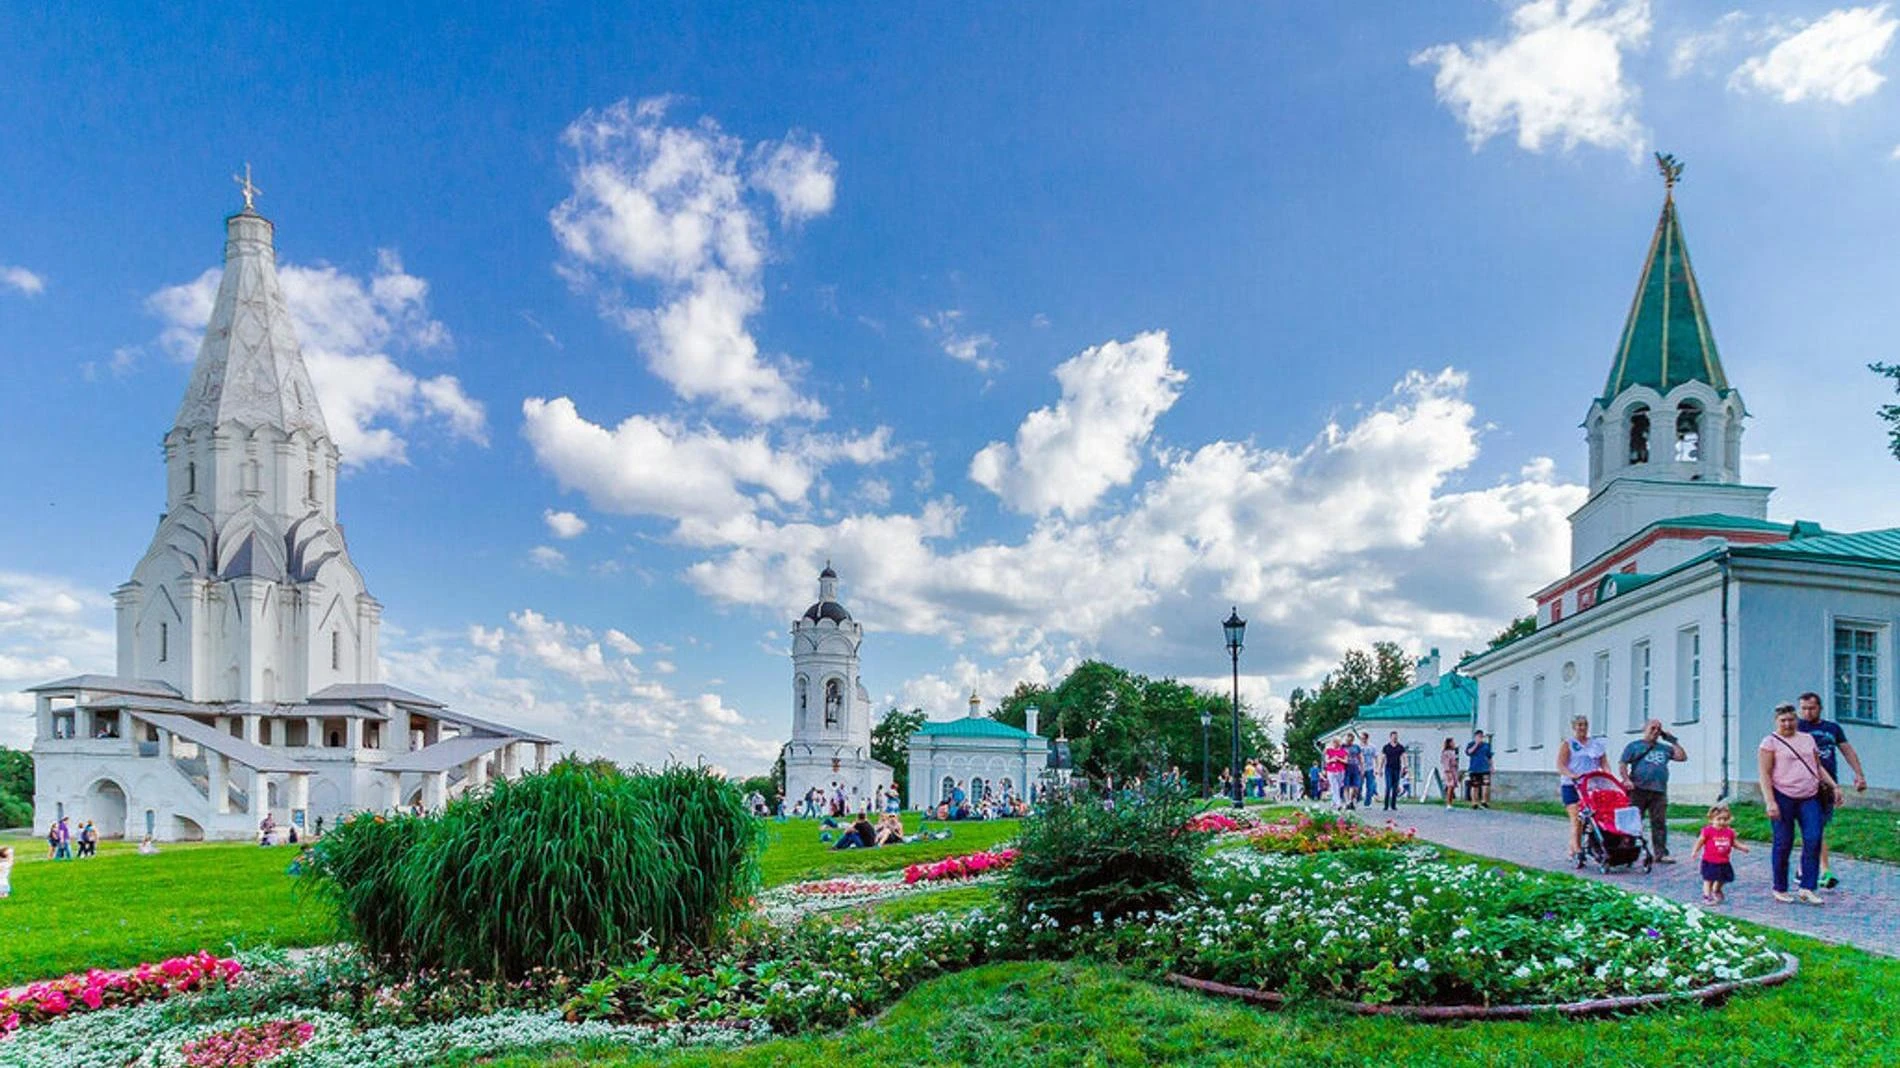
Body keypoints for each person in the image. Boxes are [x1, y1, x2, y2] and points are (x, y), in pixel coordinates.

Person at [1759, 702, 1836, 905]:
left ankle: (1807, 887)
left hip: (1809, 796)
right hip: (1782, 795)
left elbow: (1817, 767)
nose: (1787, 724)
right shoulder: (1770, 742)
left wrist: (1834, 786)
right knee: (1783, 842)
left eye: (1791, 719)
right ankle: (1780, 887)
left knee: (1813, 837)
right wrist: (1770, 801)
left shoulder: (1807, 739)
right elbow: (1765, 774)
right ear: (1776, 722)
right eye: (1783, 720)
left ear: (1797, 720)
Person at [1797, 691, 1868, 889]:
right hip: (1803, 784)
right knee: (1812, 827)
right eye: (1803, 708)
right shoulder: (1797, 728)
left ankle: (1809, 869)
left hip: (1828, 786)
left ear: (1819, 708)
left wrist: (1859, 775)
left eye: (1811, 708)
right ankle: (1819, 869)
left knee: (1817, 827)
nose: (1807, 712)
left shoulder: (1832, 728)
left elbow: (1847, 750)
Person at [1618, 719, 1687, 863]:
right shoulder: (1634, 746)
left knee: (1659, 822)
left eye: (1658, 729)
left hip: (1659, 791)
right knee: (1634, 822)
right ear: (1645, 729)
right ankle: (1626, 851)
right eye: (1653, 728)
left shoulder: (1664, 748)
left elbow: (1682, 757)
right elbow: (1623, 763)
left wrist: (1673, 741)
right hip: (1638, 789)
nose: (1655, 731)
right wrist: (1626, 780)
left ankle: (1660, 853)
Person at [1557, 716, 1609, 863]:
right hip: (1572, 785)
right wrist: (1572, 775)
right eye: (1579, 725)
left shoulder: (1596, 745)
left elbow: (1604, 763)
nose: (1582, 728)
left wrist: (1607, 775)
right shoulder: (1568, 744)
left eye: (1585, 725)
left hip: (1591, 786)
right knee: (1577, 819)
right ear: (1574, 727)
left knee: (1594, 818)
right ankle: (1577, 850)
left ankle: (1582, 846)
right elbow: (1561, 765)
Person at [1690, 803, 1747, 905]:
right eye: (1719, 819)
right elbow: (1700, 841)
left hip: (1724, 861)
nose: (1722, 822)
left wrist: (1742, 847)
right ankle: (1707, 896)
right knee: (1709, 879)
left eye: (1725, 819)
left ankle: (1716, 889)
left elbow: (1733, 843)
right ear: (1712, 819)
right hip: (1710, 861)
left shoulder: (1729, 832)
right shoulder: (1708, 831)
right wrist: (1695, 851)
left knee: (1723, 878)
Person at [1464, 730, 1494, 809]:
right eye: (1478, 736)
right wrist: (1476, 744)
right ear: (1475, 737)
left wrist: (1491, 766)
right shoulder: (1471, 744)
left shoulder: (1486, 745)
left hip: (1485, 768)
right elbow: (1469, 752)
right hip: (1474, 768)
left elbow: (1489, 756)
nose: (1480, 738)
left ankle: (1484, 801)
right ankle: (1474, 802)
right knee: (1475, 786)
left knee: (1486, 785)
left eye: (1481, 736)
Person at [1380, 732, 1406, 812]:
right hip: (1388, 768)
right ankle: (1386, 805)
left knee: (1395, 787)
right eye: (1393, 737)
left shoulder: (1400, 747)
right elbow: (1383, 758)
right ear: (1390, 737)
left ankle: (1393, 805)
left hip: (1397, 768)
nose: (1395, 738)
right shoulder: (1386, 747)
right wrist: (1380, 769)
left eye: (1396, 737)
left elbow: (1403, 757)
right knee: (1388, 786)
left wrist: (1405, 767)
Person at [1323, 737, 1349, 809]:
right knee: (1335, 786)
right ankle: (1338, 803)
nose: (1335, 744)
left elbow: (1346, 761)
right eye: (1334, 742)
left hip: (1340, 770)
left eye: (1336, 742)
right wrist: (1332, 760)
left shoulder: (1343, 751)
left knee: (1339, 786)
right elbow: (1327, 761)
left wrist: (1339, 759)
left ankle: (1334, 802)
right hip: (1331, 770)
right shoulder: (1329, 751)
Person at [1342, 733, 1363, 810]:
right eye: (1348, 739)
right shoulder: (1342, 747)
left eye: (1351, 740)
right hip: (1345, 768)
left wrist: (1362, 767)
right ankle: (1348, 802)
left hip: (1355, 767)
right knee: (1346, 785)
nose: (1349, 741)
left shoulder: (1356, 747)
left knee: (1356, 787)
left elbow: (1360, 757)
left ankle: (1351, 800)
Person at [1439, 739, 1459, 809]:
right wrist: (1448, 772)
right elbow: (1446, 763)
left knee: (1452, 787)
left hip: (1453, 770)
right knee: (1450, 786)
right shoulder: (1446, 753)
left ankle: (1451, 802)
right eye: (1453, 742)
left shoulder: (1453, 752)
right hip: (1449, 771)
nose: (1454, 744)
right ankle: (1448, 803)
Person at [1360, 732, 1379, 805]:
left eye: (1363, 738)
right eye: (1361, 738)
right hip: (1361, 768)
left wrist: (1377, 768)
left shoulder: (1372, 747)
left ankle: (1367, 802)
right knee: (1359, 785)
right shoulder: (1359, 747)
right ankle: (1358, 797)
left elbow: (1376, 757)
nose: (1362, 740)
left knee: (1370, 786)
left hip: (1370, 768)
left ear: (1367, 738)